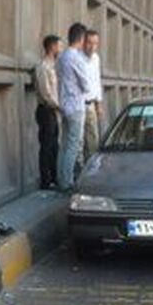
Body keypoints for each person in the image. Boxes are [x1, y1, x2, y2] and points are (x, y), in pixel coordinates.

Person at [55, 22, 91, 191]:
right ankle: (67, 181)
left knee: (64, 144)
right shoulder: (76, 58)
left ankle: (60, 178)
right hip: (76, 105)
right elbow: (86, 84)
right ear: (82, 39)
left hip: (64, 104)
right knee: (73, 145)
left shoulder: (61, 57)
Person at [33, 34, 62, 189]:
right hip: (46, 110)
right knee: (46, 146)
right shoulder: (42, 66)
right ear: (52, 47)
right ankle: (45, 181)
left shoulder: (53, 66)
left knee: (54, 146)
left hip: (53, 111)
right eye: (59, 45)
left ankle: (54, 178)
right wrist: (59, 106)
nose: (60, 48)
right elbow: (46, 94)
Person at [82, 30, 105, 159]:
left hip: (91, 104)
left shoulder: (96, 58)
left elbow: (97, 80)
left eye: (95, 43)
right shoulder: (78, 58)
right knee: (79, 142)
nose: (92, 47)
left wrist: (99, 104)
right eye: (89, 43)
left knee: (93, 139)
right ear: (83, 42)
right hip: (78, 105)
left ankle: (92, 166)